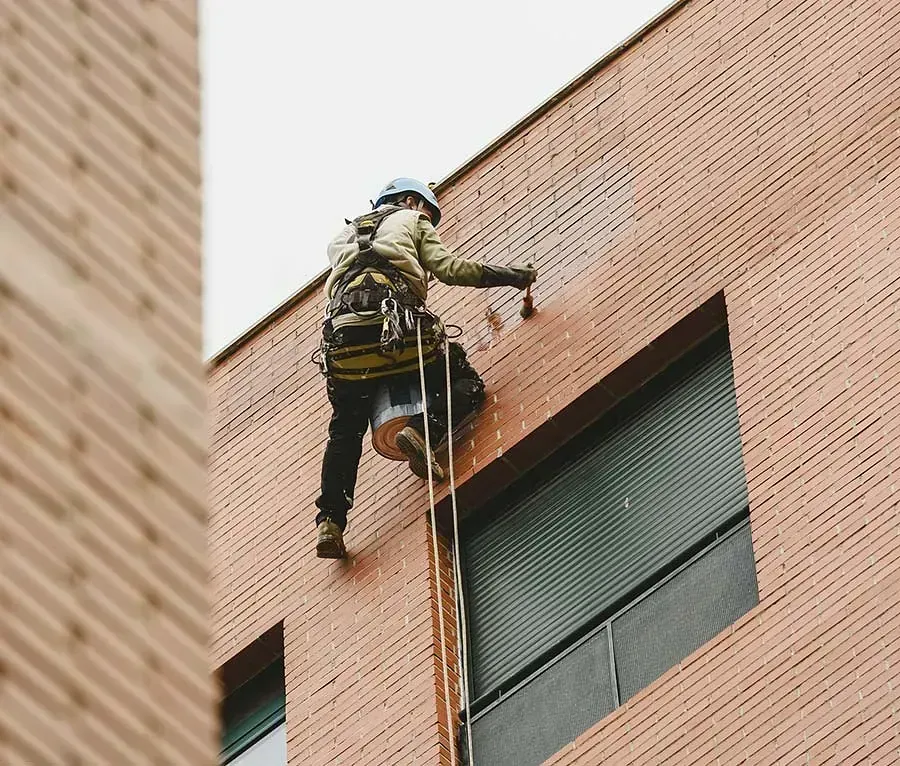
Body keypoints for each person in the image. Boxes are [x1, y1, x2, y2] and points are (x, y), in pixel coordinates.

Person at [314, 178, 536, 558]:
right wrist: (511, 276)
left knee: (345, 430)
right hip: (401, 332)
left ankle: (330, 523)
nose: (429, 222)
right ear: (411, 201)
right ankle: (421, 430)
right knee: (465, 382)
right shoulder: (412, 220)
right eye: (429, 215)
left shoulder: (342, 236)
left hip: (345, 343)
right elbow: (449, 269)